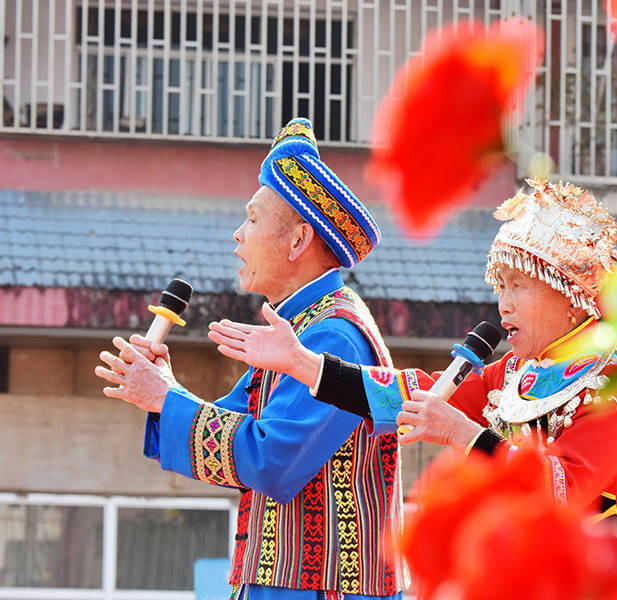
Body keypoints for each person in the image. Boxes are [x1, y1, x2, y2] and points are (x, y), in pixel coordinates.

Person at [209, 178, 617, 549]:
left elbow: (566, 493)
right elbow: (417, 394)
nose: (502, 305)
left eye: (518, 287)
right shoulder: (512, 374)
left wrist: (463, 434)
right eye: (499, 287)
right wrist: (306, 365)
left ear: (568, 296)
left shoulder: (615, 382)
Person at [95, 118, 406, 600]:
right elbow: (235, 430)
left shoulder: (334, 334)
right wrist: (163, 393)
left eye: (253, 219)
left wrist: (167, 398)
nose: (238, 235)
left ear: (298, 241)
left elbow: (270, 459)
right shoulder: (303, 327)